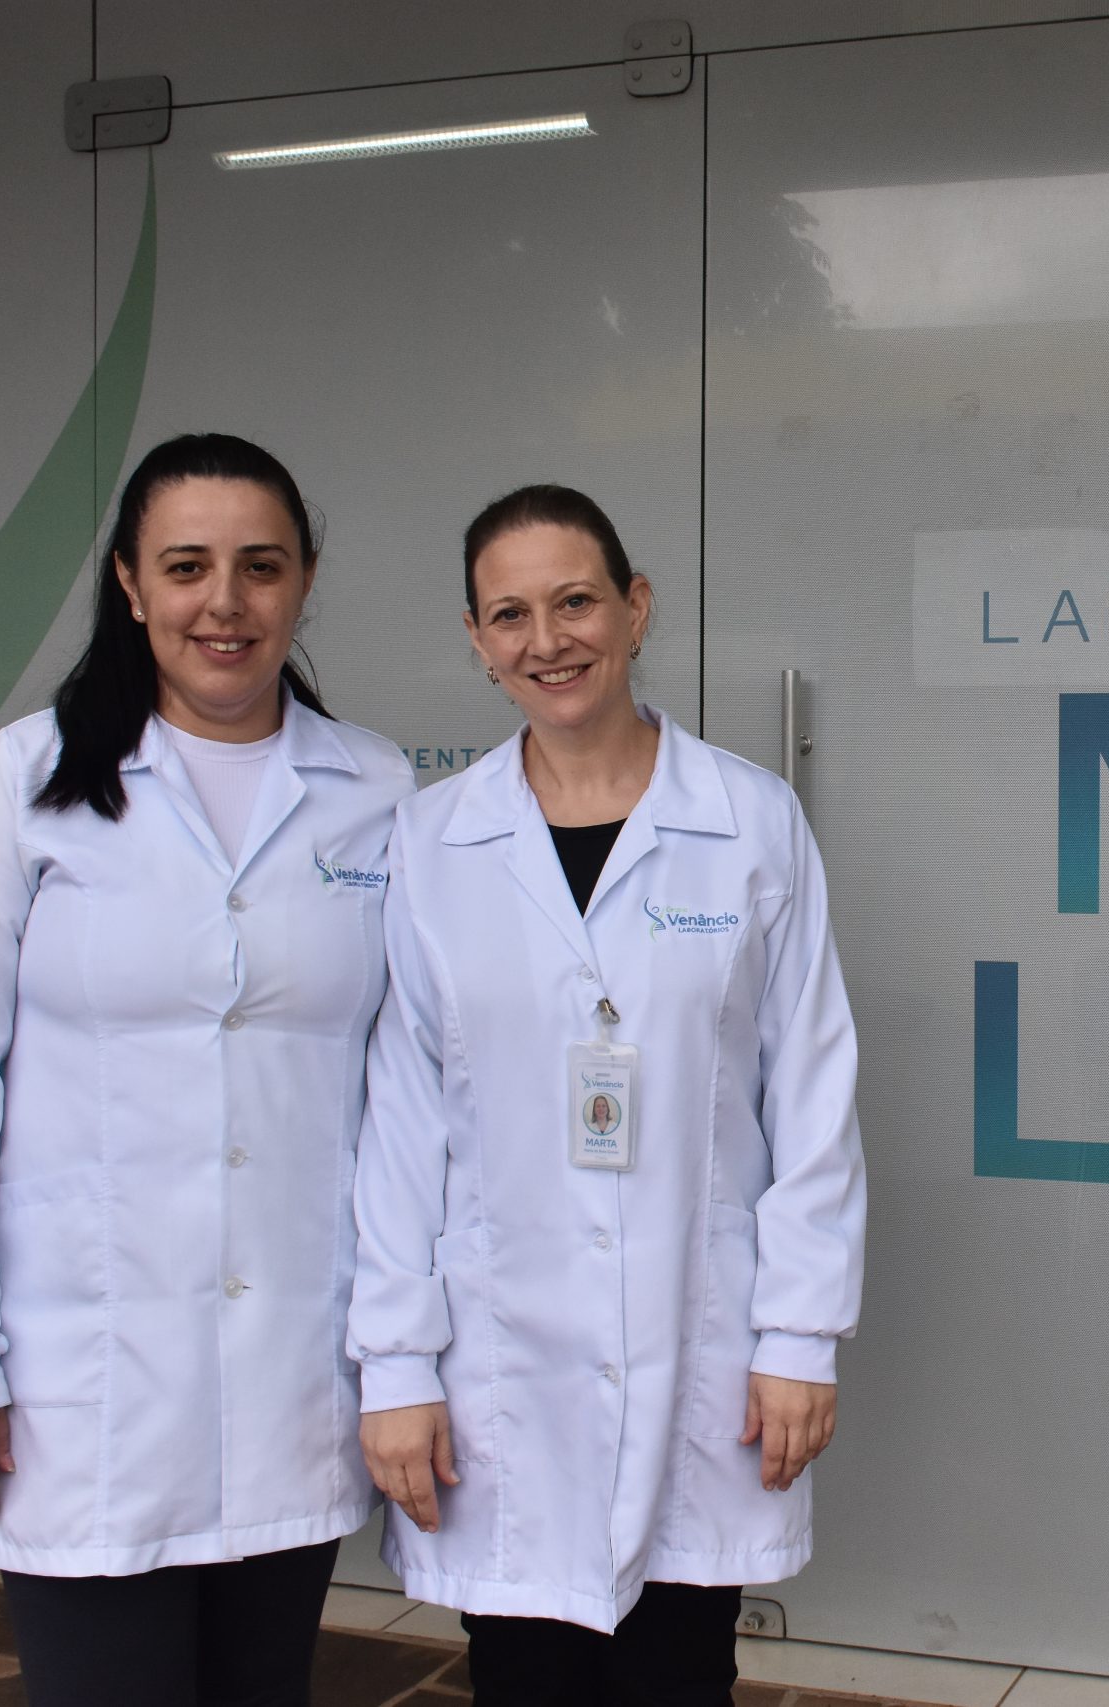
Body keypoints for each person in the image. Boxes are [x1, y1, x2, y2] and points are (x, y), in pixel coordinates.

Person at [0, 434, 414, 1707]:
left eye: (260, 566)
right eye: (186, 567)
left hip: (290, 1367)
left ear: (305, 580)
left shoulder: (375, 791)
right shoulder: (28, 782)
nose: (225, 602)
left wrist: (402, 1354)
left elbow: (405, 1095)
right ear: (128, 583)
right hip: (82, 1382)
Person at [351, 485, 867, 1707]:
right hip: (500, 1361)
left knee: (679, 1672)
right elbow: (402, 1123)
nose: (548, 640)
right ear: (477, 640)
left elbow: (812, 1093)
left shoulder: (749, 821)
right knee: (520, 1674)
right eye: (510, 615)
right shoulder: (432, 842)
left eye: (576, 601)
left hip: (703, 1342)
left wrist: (799, 1337)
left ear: (635, 608)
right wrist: (397, 1366)